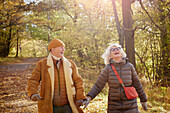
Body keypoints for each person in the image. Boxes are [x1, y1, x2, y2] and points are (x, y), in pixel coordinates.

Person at [83, 43, 148, 113]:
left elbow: (137, 84)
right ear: (110, 56)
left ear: (121, 52)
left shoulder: (130, 66)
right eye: (113, 50)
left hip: (131, 105)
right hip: (114, 106)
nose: (116, 50)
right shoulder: (107, 69)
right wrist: (89, 97)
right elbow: (98, 85)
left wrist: (143, 100)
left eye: (118, 49)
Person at [27, 39, 86, 113]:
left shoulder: (70, 64)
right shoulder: (42, 64)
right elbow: (33, 80)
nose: (63, 49)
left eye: (64, 47)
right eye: (61, 47)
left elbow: (78, 81)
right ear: (53, 49)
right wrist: (33, 93)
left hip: (68, 107)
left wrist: (80, 97)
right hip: (50, 107)